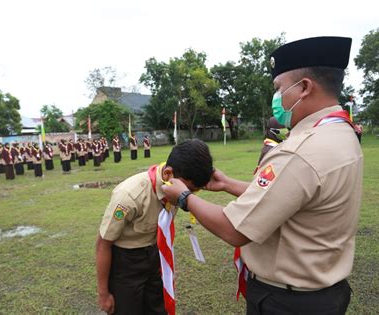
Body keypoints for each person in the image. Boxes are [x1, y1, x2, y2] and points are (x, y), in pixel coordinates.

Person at [161, 36, 362, 315]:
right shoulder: (341, 134)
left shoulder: (300, 151)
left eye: (279, 88)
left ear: (304, 87)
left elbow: (235, 229)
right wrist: (229, 184)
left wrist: (183, 197)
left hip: (288, 302)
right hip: (324, 294)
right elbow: (287, 199)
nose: (277, 98)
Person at [96, 139, 214, 315]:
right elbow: (103, 244)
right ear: (168, 174)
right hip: (127, 263)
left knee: (158, 309)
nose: (188, 196)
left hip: (156, 257)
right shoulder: (129, 196)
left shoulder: (174, 187)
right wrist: (103, 293)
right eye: (188, 190)